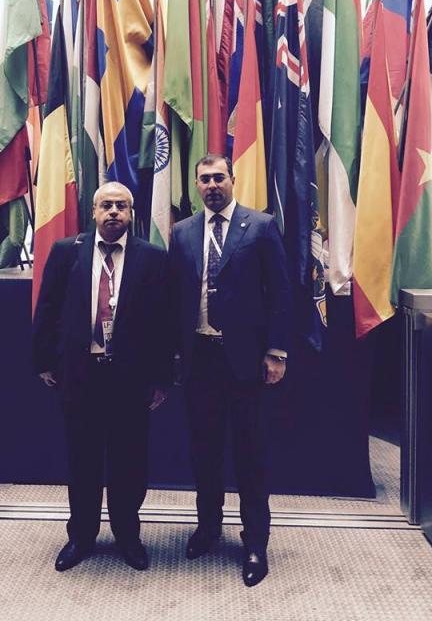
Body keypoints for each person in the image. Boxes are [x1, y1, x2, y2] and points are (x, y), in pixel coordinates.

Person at [33, 182, 172, 573]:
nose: (113, 212)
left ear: (131, 213)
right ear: (93, 211)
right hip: (81, 375)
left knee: (130, 461)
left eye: (121, 206)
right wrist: (44, 360)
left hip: (129, 379)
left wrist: (162, 378)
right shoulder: (66, 251)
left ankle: (128, 536)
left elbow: (163, 322)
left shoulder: (152, 257)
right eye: (106, 205)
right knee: (82, 460)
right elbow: (47, 308)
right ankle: (81, 536)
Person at [168, 154, 291, 587]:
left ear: (233, 180)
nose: (212, 185)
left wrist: (276, 352)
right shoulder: (182, 232)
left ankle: (255, 541)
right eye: (204, 179)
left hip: (245, 361)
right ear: (196, 185)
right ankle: (208, 527)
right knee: (204, 450)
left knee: (250, 454)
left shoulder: (261, 226)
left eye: (219, 177)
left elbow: (280, 293)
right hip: (199, 358)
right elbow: (175, 298)